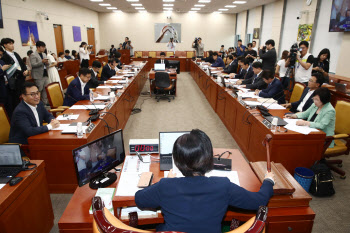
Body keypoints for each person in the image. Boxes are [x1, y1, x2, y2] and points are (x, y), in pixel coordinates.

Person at [135, 129, 275, 233]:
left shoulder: (166, 186)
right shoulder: (223, 185)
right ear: (209, 159)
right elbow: (259, 201)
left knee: (159, 227)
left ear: (177, 162)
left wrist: (167, 181)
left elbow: (139, 199)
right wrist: (268, 181)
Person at [0, 38, 29, 116]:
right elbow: (9, 69)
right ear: (5, 45)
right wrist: (20, 72)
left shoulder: (15, 54)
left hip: (21, 79)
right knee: (16, 100)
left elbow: (22, 64)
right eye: (10, 44)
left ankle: (26, 112)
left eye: (12, 43)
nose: (12, 45)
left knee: (24, 96)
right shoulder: (4, 56)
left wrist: (26, 70)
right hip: (14, 81)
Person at [0, 46, 11, 116]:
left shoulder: (1, 61)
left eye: (1, 55)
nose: (0, 57)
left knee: (8, 107)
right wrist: (1, 70)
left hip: (6, 86)